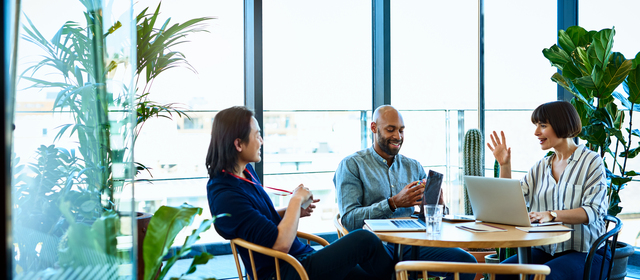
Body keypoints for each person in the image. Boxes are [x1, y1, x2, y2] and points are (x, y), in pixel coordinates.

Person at [207, 106, 395, 280]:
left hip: (299, 259)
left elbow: (260, 221)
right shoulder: (225, 194)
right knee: (363, 239)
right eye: (257, 136)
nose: (261, 141)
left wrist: (293, 212)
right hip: (284, 271)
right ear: (239, 144)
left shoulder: (245, 173)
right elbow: (280, 245)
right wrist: (295, 201)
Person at [333, 105, 477, 280]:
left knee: (467, 263)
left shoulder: (413, 166)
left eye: (401, 130)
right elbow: (349, 219)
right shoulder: (352, 165)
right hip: (376, 246)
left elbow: (431, 220)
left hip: (412, 243)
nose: (398, 136)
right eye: (390, 129)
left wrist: (436, 205)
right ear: (373, 128)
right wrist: (393, 203)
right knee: (396, 273)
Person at [487, 100, 610, 280]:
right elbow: (511, 202)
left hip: (586, 253)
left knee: (545, 276)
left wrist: (551, 214)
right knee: (499, 274)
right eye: (537, 126)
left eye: (543, 125)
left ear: (562, 124)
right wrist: (504, 165)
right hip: (546, 251)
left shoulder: (591, 161)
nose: (536, 132)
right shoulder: (541, 167)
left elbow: (593, 211)